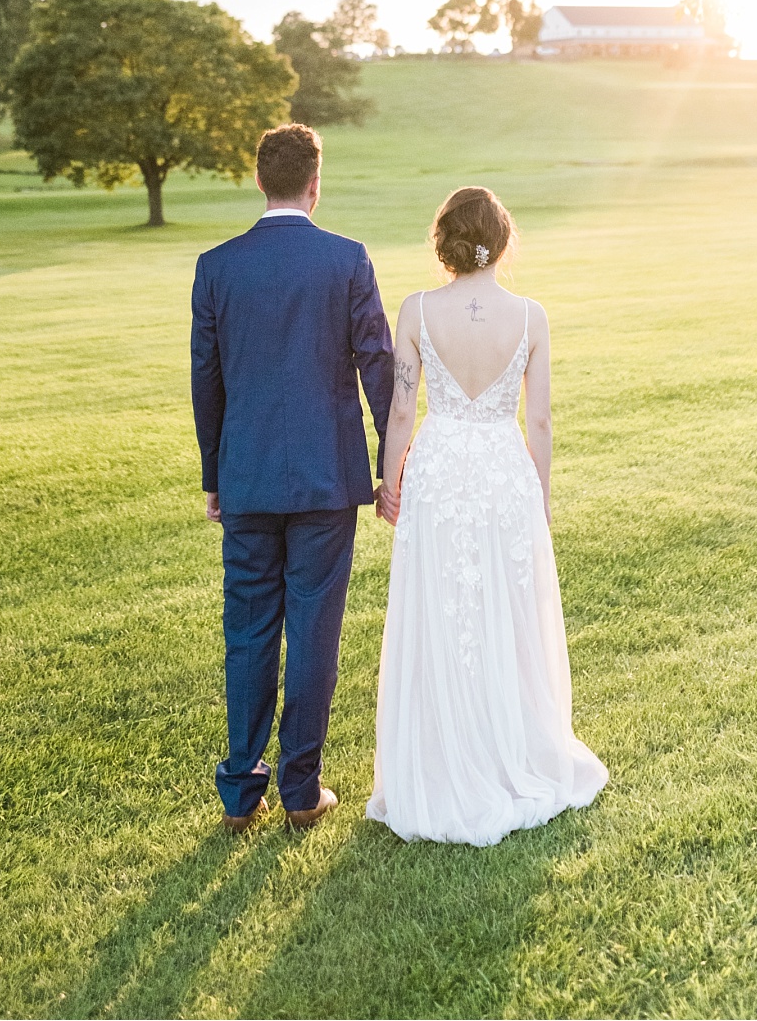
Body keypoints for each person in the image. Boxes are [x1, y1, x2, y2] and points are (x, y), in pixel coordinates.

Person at [367, 184, 607, 845]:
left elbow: (400, 410)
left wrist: (390, 482)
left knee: (440, 608)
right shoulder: (530, 317)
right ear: (500, 241)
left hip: (439, 470)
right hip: (504, 472)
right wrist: (543, 495)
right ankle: (513, 746)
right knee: (504, 609)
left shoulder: (417, 309)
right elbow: (539, 418)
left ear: (445, 241)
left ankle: (443, 758)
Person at [191, 122, 393, 831]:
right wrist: (386, 462)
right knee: (314, 629)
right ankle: (302, 790)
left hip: (246, 478)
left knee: (247, 629)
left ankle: (242, 793)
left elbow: (207, 379)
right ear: (315, 182)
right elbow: (378, 363)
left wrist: (215, 474)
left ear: (258, 181)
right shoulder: (347, 260)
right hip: (326, 479)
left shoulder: (217, 266)